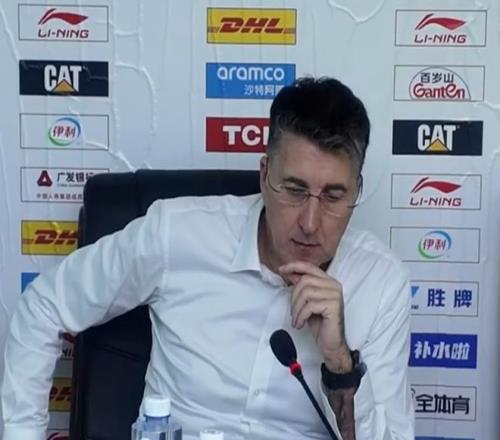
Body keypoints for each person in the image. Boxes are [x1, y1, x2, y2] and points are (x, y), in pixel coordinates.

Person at [1, 77, 414, 440]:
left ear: (356, 191)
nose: (309, 222)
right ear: (264, 175)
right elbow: (44, 306)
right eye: (294, 190)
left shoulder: (379, 283)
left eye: (334, 196)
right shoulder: (177, 233)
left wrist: (340, 363)